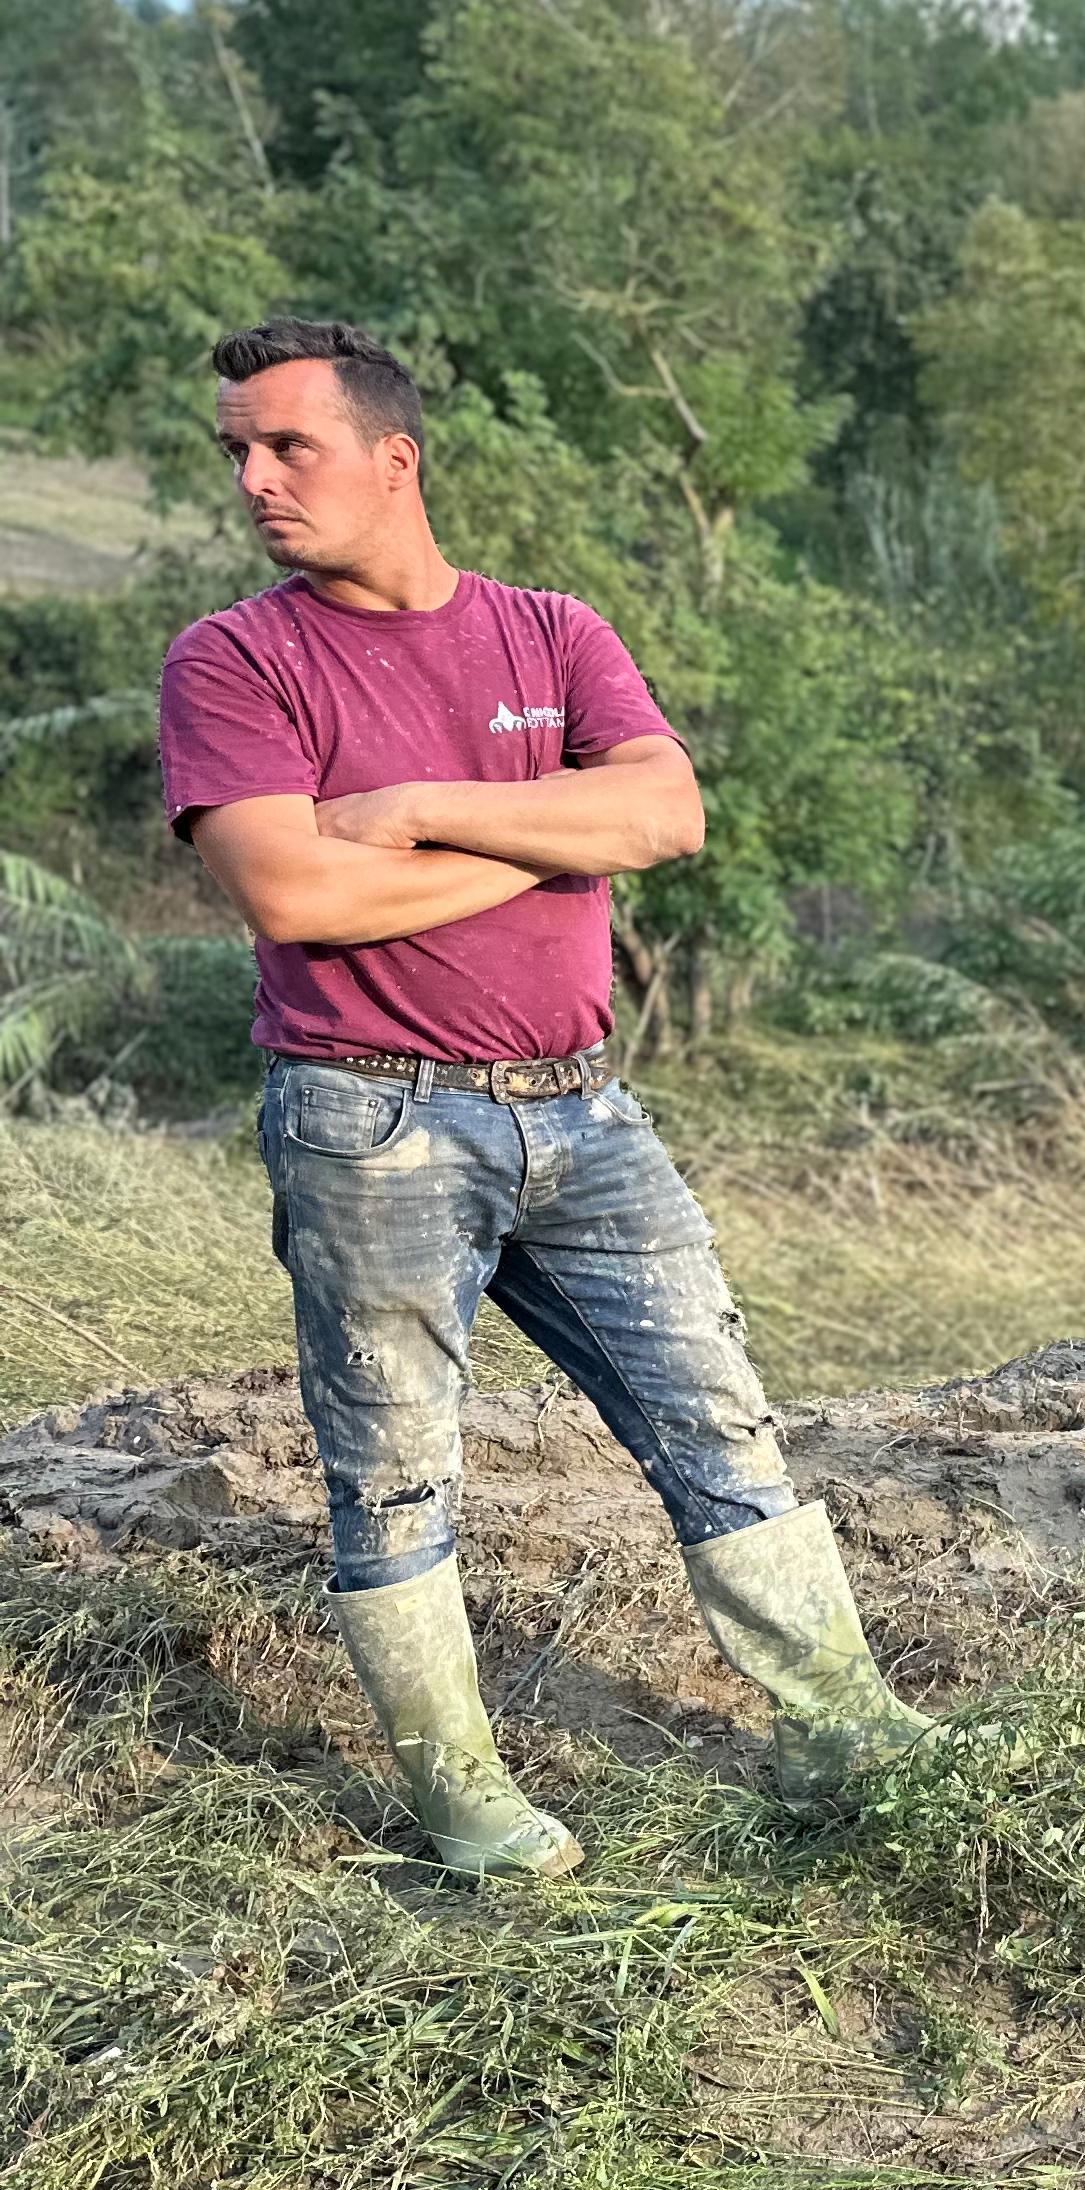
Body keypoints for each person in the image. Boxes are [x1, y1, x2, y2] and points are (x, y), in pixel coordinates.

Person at [157, 318, 936, 1880]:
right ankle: (464, 1800)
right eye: (234, 451)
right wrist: (547, 833)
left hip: (584, 1110)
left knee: (715, 1415)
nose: (252, 479)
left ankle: (849, 1721)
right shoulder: (234, 659)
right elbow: (294, 895)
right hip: (367, 1117)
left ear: (396, 459)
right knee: (392, 1464)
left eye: (285, 446)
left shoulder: (551, 634)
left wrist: (428, 809)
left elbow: (666, 812)